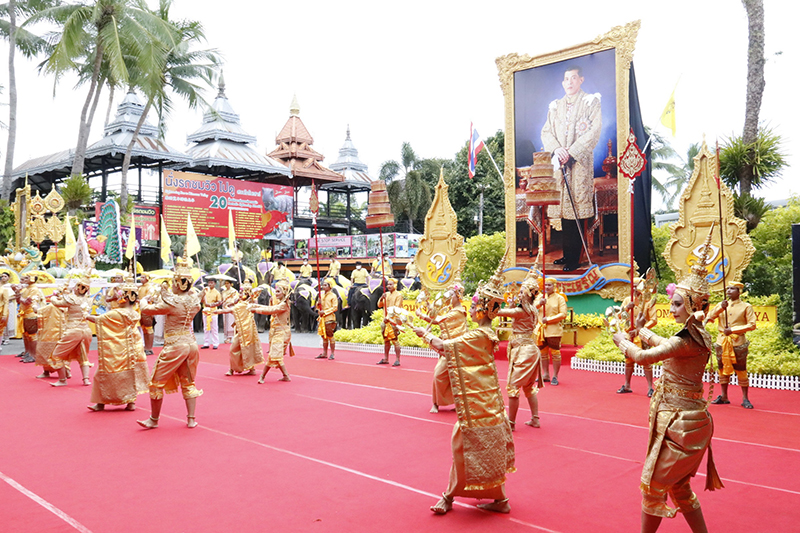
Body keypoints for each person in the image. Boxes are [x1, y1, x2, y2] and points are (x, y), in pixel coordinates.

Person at [612, 238, 723, 533]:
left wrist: (623, 341)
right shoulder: (699, 335)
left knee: (653, 487)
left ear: (690, 305)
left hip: (681, 424)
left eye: (676, 303)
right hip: (686, 419)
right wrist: (641, 330)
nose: (671, 308)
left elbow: (645, 356)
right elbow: (663, 344)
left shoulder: (684, 339)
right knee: (680, 488)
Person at [414, 286, 515, 515]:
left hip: (478, 404)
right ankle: (500, 500)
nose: (470, 311)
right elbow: (452, 349)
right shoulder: (487, 333)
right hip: (486, 399)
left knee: (462, 445)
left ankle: (448, 497)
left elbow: (443, 346)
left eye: (475, 307)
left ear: (483, 310)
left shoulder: (479, 335)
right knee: (489, 449)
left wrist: (424, 333)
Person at [541, 64, 602, 272]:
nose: (570, 82)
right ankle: (567, 254)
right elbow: (546, 132)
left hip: (579, 164)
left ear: (581, 80)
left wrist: (572, 151)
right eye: (566, 79)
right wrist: (558, 150)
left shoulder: (590, 102)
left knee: (577, 210)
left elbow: (594, 131)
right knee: (564, 212)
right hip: (560, 164)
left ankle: (575, 258)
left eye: (574, 78)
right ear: (562, 82)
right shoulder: (555, 106)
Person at [138, 255, 203, 429]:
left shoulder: (173, 302)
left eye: (174, 282)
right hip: (191, 344)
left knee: (156, 383)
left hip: (176, 346)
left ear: (178, 283)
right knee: (188, 382)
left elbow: (146, 310)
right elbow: (191, 299)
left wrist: (144, 299)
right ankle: (191, 419)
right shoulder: (194, 301)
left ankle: (154, 419)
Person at [86, 277, 149, 411]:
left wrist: (84, 315)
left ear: (124, 298)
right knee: (131, 373)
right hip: (134, 345)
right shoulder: (134, 312)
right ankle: (131, 402)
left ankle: (100, 403)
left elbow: (98, 320)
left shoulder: (116, 313)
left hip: (120, 348)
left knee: (101, 374)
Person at [497, 273, 543, 429]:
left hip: (524, 350)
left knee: (513, 387)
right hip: (527, 349)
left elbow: (499, 313)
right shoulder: (532, 309)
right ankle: (535, 419)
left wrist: (491, 303)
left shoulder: (521, 311)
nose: (519, 293)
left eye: (522, 291)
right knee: (528, 387)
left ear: (529, 295)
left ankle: (511, 423)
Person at [416, 283, 467, 413]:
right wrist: (428, 307)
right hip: (447, 347)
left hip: (456, 348)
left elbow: (439, 320)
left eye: (452, 294)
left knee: (457, 378)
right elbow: (436, 318)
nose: (449, 297)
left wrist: (421, 315)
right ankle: (436, 403)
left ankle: (459, 404)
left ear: (458, 296)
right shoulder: (450, 310)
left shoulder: (459, 312)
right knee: (439, 375)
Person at [706, 281, 757, 409]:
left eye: (732, 289)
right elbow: (709, 317)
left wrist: (733, 330)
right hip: (722, 341)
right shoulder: (722, 305)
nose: (728, 291)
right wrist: (720, 308)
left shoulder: (746, 306)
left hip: (738, 342)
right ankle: (724, 396)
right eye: (728, 288)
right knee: (722, 369)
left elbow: (752, 325)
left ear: (739, 292)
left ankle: (745, 398)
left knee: (741, 369)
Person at [49, 273, 94, 387]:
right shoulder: (88, 300)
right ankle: (86, 379)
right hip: (86, 329)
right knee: (83, 355)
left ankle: (62, 380)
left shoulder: (72, 299)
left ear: (78, 287)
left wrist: (54, 296)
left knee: (57, 354)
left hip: (73, 329)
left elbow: (57, 303)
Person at [617, 278, 657, 397]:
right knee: (628, 361)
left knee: (646, 361)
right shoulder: (627, 300)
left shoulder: (648, 301)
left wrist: (640, 329)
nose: (634, 288)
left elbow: (654, 320)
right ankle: (627, 385)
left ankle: (650, 387)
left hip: (642, 335)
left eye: (637, 286)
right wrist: (626, 308)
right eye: (633, 286)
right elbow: (619, 316)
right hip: (629, 334)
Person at [214, 282, 265, 377]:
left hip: (248, 330)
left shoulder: (247, 305)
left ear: (247, 294)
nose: (239, 294)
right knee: (236, 349)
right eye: (240, 292)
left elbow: (229, 310)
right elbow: (228, 308)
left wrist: (218, 311)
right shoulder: (240, 304)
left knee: (242, 349)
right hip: (240, 329)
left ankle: (248, 368)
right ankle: (233, 369)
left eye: (242, 293)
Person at [250, 280, 293, 383]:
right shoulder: (280, 303)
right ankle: (286, 376)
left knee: (274, 355)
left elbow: (271, 310)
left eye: (278, 291)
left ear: (284, 293)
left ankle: (262, 377)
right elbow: (271, 308)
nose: (276, 293)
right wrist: (255, 306)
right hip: (275, 331)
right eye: (276, 291)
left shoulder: (284, 305)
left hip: (281, 332)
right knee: (275, 356)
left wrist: (255, 309)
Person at [536, 277, 567, 385]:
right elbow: (532, 308)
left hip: (553, 329)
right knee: (543, 353)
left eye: (549, 285)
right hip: (541, 330)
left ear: (554, 286)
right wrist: (540, 303)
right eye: (546, 285)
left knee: (555, 353)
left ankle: (555, 376)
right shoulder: (540, 297)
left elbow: (563, 314)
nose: (547, 287)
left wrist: (548, 319)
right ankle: (545, 374)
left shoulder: (560, 298)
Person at [377, 278, 404, 366]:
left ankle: (397, 359)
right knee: (386, 340)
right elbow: (379, 305)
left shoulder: (398, 295)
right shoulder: (386, 294)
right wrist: (381, 298)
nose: (389, 286)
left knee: (395, 340)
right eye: (388, 284)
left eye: (391, 284)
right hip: (385, 321)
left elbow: (396, 309)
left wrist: (388, 317)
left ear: (395, 285)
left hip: (394, 320)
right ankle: (386, 358)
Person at [17, 274, 43, 364]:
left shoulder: (34, 289)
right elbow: (19, 300)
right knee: (26, 335)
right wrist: (16, 292)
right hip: (25, 314)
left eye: (27, 278)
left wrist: (20, 297)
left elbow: (28, 302)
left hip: (31, 314)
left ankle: (34, 355)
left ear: (32, 279)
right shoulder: (27, 289)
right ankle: (28, 353)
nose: (24, 279)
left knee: (32, 336)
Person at [315, 279, 338, 360]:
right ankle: (324, 353)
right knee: (323, 336)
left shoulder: (333, 296)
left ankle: (332, 353)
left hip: (329, 318)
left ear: (330, 286)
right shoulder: (321, 294)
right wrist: (318, 304)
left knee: (330, 335)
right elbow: (317, 306)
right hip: (322, 318)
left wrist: (325, 312)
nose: (323, 286)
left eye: (325, 285)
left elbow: (335, 308)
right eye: (323, 285)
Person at [138, 273, 157, 355]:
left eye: (143, 277)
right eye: (141, 277)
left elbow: (149, 298)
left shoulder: (150, 288)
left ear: (147, 278)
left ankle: (149, 348)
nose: (141, 279)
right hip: (140, 309)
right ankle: (146, 347)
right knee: (143, 328)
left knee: (149, 328)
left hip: (147, 309)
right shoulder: (140, 287)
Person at [201, 278, 222, 349]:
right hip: (205, 311)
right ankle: (206, 343)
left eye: (212, 283)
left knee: (214, 328)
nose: (210, 284)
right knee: (206, 327)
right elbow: (201, 299)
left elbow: (219, 302)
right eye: (209, 282)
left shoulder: (217, 292)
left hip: (213, 312)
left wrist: (211, 305)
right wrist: (203, 300)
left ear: (215, 283)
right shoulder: (205, 291)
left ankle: (215, 343)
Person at [220, 279, 238, 344]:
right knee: (225, 322)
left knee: (230, 321)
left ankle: (230, 337)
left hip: (231, 307)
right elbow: (222, 299)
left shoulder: (234, 291)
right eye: (225, 283)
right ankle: (226, 336)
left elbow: (235, 300)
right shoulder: (223, 292)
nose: (226, 284)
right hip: (225, 307)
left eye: (228, 283)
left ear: (231, 284)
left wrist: (229, 304)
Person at [0, 272, 14, 348]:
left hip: (8, 305)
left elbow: (14, 296)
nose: (3, 278)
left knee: (6, 322)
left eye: (5, 276)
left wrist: (6, 299)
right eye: (2, 276)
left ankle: (6, 338)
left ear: (8, 277)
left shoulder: (9, 286)